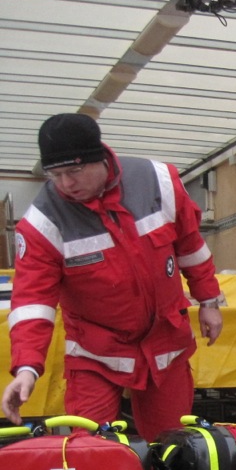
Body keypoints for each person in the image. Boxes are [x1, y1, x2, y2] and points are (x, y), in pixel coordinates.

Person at [2, 113, 222, 441]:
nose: (65, 184)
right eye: (55, 174)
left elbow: (190, 245)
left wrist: (209, 301)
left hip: (165, 342)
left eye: (74, 171)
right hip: (95, 353)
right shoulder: (41, 224)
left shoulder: (159, 180)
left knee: (175, 449)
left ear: (100, 157)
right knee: (91, 452)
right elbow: (33, 301)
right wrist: (27, 368)